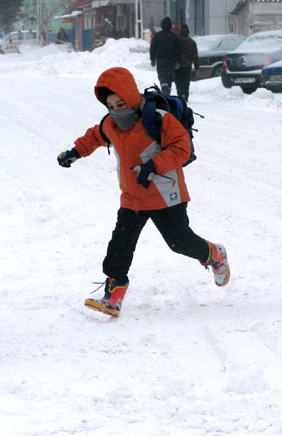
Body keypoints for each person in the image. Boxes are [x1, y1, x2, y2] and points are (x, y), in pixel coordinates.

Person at [56, 67, 230, 317]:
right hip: (132, 197)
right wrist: (74, 152)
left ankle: (214, 254)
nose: (117, 110)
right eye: (111, 106)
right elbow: (95, 136)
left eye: (121, 103)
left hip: (165, 194)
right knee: (120, 246)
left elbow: (182, 148)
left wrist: (153, 165)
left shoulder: (158, 120)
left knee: (179, 242)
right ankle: (113, 296)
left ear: (131, 96)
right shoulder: (110, 124)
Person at [149, 17, 181, 96]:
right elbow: (178, 50)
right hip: (171, 60)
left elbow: (153, 48)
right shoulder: (174, 37)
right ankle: (167, 90)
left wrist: (152, 59)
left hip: (160, 60)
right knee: (169, 76)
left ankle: (164, 88)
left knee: (162, 76)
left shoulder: (157, 36)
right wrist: (177, 61)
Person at [174, 24, 199, 102]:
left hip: (178, 65)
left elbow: (173, 52)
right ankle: (186, 95)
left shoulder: (176, 41)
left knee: (178, 80)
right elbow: (195, 56)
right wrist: (197, 67)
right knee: (186, 81)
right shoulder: (192, 42)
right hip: (187, 65)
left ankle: (180, 94)